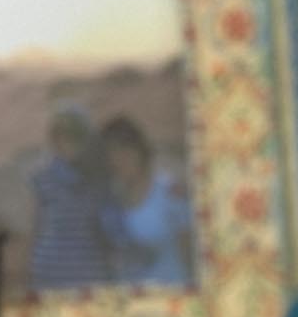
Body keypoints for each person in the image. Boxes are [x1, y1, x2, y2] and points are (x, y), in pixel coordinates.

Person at [27, 102, 113, 290]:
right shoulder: (41, 177)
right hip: (50, 271)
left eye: (74, 136)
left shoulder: (101, 177)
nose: (66, 143)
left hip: (90, 272)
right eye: (60, 136)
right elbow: (36, 226)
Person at [99, 114, 192, 286]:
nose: (118, 159)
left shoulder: (169, 192)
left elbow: (190, 253)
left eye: (124, 150)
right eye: (111, 153)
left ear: (140, 150)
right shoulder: (111, 201)